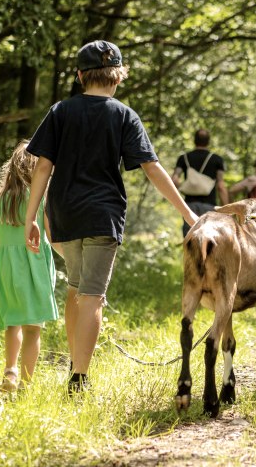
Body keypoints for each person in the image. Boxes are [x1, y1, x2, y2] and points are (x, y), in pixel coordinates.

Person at [24, 40, 198, 395]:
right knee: (91, 296)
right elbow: (151, 167)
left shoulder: (60, 111)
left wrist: (31, 218)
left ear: (79, 75)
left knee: (76, 288)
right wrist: (189, 214)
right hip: (103, 214)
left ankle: (76, 367)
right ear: (118, 77)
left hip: (64, 213)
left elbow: (43, 166)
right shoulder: (123, 115)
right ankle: (79, 380)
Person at [0, 141, 59, 393]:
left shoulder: (0, 199)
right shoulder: (41, 200)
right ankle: (25, 385)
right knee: (34, 328)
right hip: (36, 265)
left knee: (13, 323)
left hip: (7, 267)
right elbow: (51, 236)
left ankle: (10, 371)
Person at [172, 129, 228, 237]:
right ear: (208, 141)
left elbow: (174, 179)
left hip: (189, 206)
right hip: (209, 206)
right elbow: (221, 186)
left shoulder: (183, 158)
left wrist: (183, 188)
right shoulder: (217, 159)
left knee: (190, 239)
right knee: (210, 239)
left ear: (194, 140)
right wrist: (226, 209)